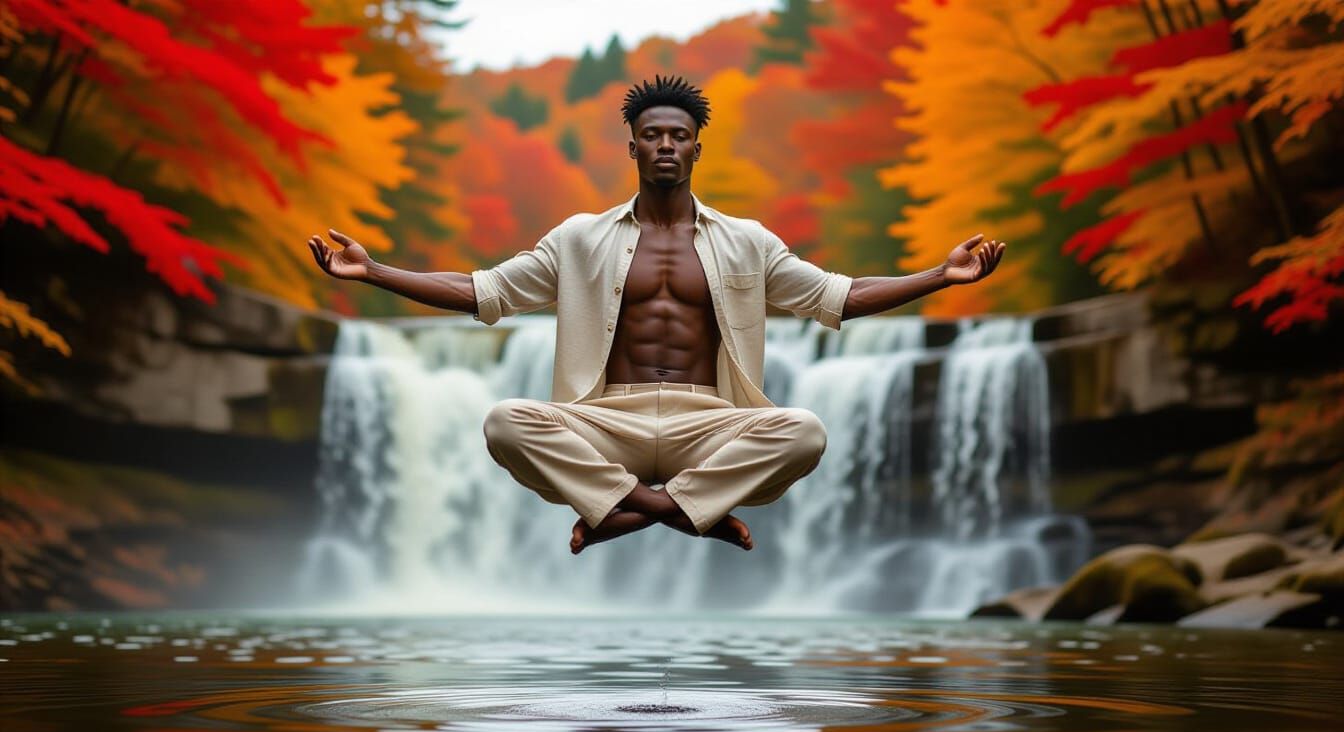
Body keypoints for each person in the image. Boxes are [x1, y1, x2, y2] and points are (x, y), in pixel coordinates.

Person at [309, 74, 1005, 556]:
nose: (666, 145)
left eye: (678, 135)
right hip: (605, 419)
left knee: (805, 431)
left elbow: (838, 296)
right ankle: (687, 513)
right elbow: (480, 290)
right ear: (633, 146)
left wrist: (939, 276)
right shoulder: (578, 238)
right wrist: (374, 272)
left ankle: (627, 514)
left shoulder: (749, 241)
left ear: (698, 146)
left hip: (711, 422)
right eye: (652, 135)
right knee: (503, 422)